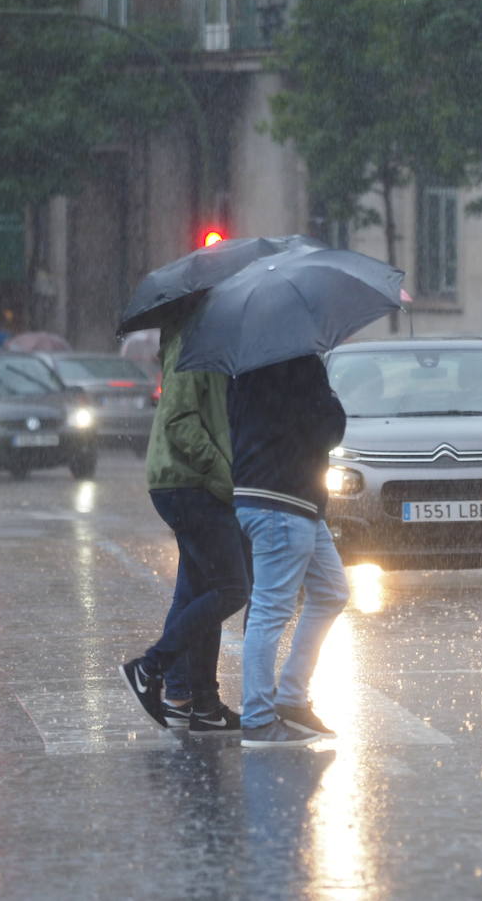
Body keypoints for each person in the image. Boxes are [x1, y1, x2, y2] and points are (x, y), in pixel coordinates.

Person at [120, 316, 252, 732]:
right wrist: (222, 474)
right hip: (188, 482)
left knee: (202, 590)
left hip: (193, 483)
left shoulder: (210, 338)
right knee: (233, 588)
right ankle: (150, 667)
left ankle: (196, 702)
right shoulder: (192, 339)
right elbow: (179, 420)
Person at [230, 354, 349, 748]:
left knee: (332, 591)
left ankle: (291, 699)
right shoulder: (299, 362)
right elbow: (329, 430)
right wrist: (330, 396)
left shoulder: (244, 363)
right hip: (283, 499)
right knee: (270, 609)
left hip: (278, 498)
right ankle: (259, 719)